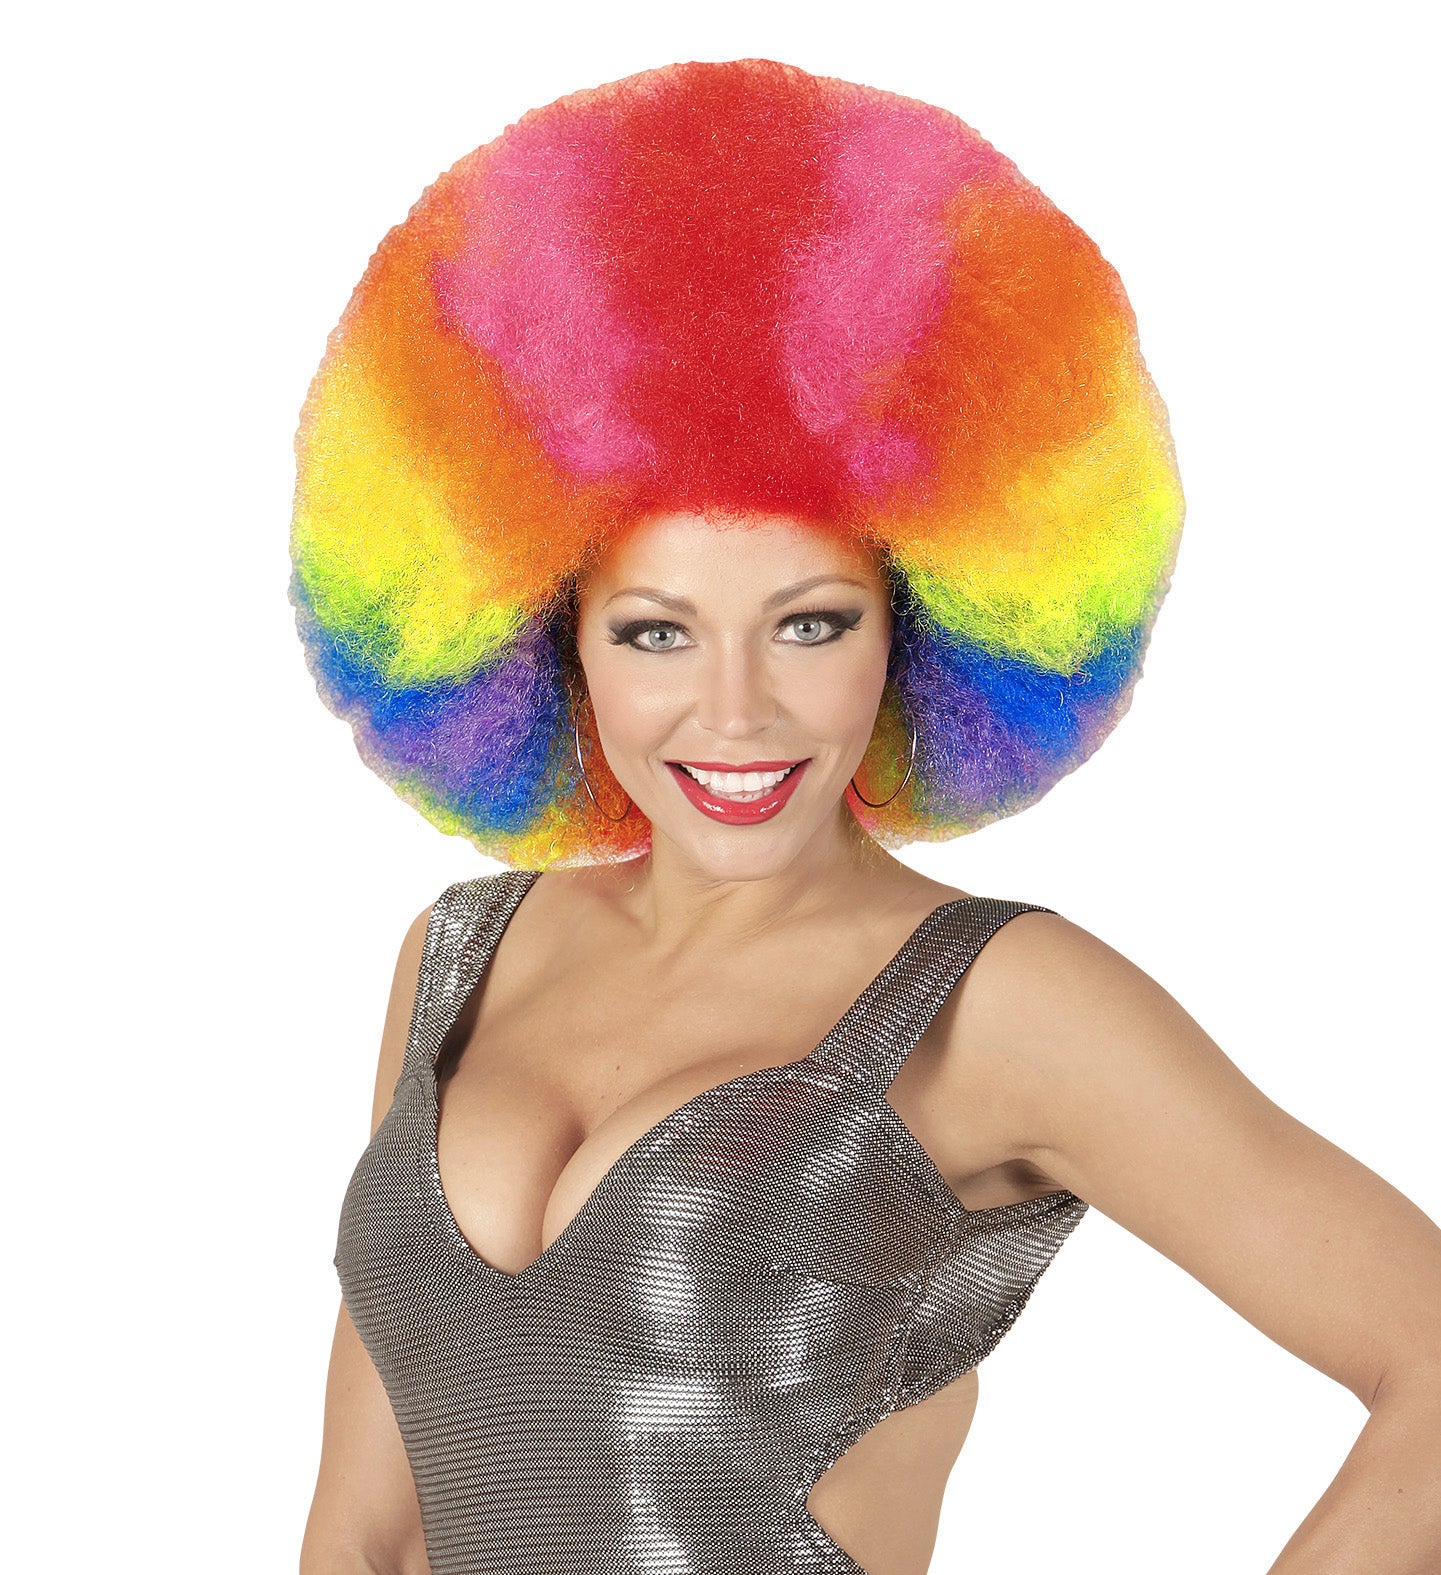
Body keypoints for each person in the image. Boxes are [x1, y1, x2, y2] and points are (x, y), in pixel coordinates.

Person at [291, 59, 1441, 1575]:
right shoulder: (457, 959)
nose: (735, 712)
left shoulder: (1000, 1000)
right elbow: (361, 1525)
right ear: (548, 636)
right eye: (656, 631)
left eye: (809, 623)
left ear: (917, 627)